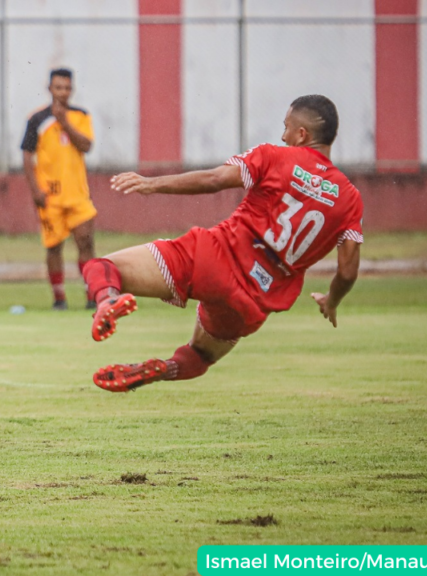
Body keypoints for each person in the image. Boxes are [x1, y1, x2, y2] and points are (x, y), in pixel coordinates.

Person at [81, 95, 363, 391]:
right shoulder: (350, 199)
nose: (283, 135)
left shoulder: (276, 156)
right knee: (200, 356)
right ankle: (164, 369)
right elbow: (347, 271)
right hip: (255, 299)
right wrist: (331, 301)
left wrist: (153, 184)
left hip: (216, 258)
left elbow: (215, 179)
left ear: (302, 134)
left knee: (102, 267)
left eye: (287, 127)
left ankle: (108, 300)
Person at [21, 68, 97, 310]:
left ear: (71, 89)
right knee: (54, 246)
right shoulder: (37, 119)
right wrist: (35, 191)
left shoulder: (80, 115)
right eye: (58, 87)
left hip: (77, 194)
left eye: (66, 87)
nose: (62, 92)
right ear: (50, 88)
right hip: (50, 195)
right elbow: (26, 155)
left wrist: (64, 121)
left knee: (85, 241)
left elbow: (86, 145)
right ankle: (59, 298)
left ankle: (91, 296)